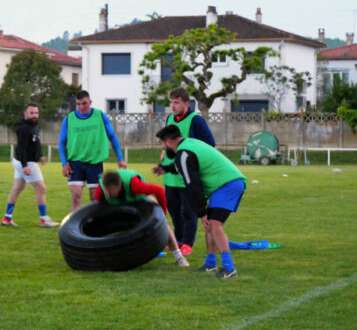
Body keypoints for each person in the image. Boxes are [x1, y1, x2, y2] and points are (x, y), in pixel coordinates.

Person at [153, 125, 247, 278]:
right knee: (211, 224)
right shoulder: (189, 144)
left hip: (227, 184)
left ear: (169, 142)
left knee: (214, 224)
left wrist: (201, 212)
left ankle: (229, 269)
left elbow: (192, 185)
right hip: (227, 183)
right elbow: (185, 165)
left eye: (162, 144)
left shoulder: (183, 153)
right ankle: (210, 264)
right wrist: (167, 169)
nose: (163, 148)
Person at [158, 87, 215, 257]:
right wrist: (163, 151)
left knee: (189, 211)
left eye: (176, 102)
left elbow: (209, 144)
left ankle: (187, 244)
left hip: (187, 175)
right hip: (170, 176)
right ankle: (178, 240)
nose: (173, 106)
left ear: (185, 103)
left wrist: (192, 159)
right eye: (171, 102)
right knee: (174, 211)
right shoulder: (169, 118)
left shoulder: (195, 120)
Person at [96, 169, 189, 267]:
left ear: (118, 186)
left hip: (140, 198)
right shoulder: (101, 189)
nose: (108, 193)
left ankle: (179, 257)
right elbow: (96, 212)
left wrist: (162, 216)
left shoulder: (135, 185)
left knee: (164, 225)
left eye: (111, 189)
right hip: (121, 204)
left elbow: (159, 191)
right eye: (107, 189)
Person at [59, 91, 126, 212]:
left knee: (95, 199)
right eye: (78, 104)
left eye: (84, 103)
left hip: (94, 163)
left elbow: (112, 136)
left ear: (90, 102)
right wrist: (64, 163)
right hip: (75, 163)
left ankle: (96, 227)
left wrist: (120, 158)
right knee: (76, 197)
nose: (81, 107)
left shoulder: (100, 116)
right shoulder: (69, 119)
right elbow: (62, 142)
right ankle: (72, 229)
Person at [1, 103, 59, 227]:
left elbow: (35, 144)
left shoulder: (34, 126)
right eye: (31, 113)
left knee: (17, 188)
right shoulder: (23, 128)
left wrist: (40, 156)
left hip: (22, 161)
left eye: (36, 113)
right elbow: (21, 148)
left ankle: (7, 218)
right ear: (25, 114)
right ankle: (44, 219)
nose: (34, 115)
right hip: (26, 162)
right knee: (41, 188)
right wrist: (25, 165)